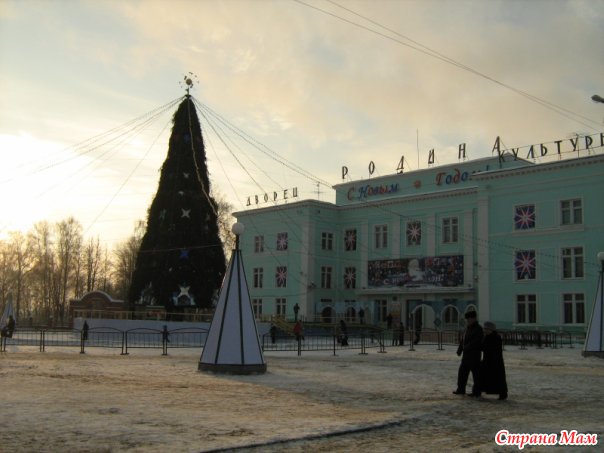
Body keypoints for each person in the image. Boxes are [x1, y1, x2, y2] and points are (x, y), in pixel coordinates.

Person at [453, 310, 483, 397]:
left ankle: (477, 392)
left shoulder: (478, 329)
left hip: (474, 356)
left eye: (469, 319)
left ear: (473, 318)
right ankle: (461, 389)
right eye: (467, 319)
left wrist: (467, 347)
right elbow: (463, 340)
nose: (467, 320)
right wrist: (460, 350)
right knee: (462, 373)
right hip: (466, 356)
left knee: (476, 375)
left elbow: (476, 341)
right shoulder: (468, 328)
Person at [480, 321, 508, 400]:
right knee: (488, 377)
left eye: (486, 329)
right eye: (484, 329)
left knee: (498, 378)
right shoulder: (487, 337)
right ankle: (486, 390)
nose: (484, 330)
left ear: (490, 329)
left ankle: (502, 393)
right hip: (488, 360)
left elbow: (492, 348)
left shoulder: (496, 337)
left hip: (495, 361)